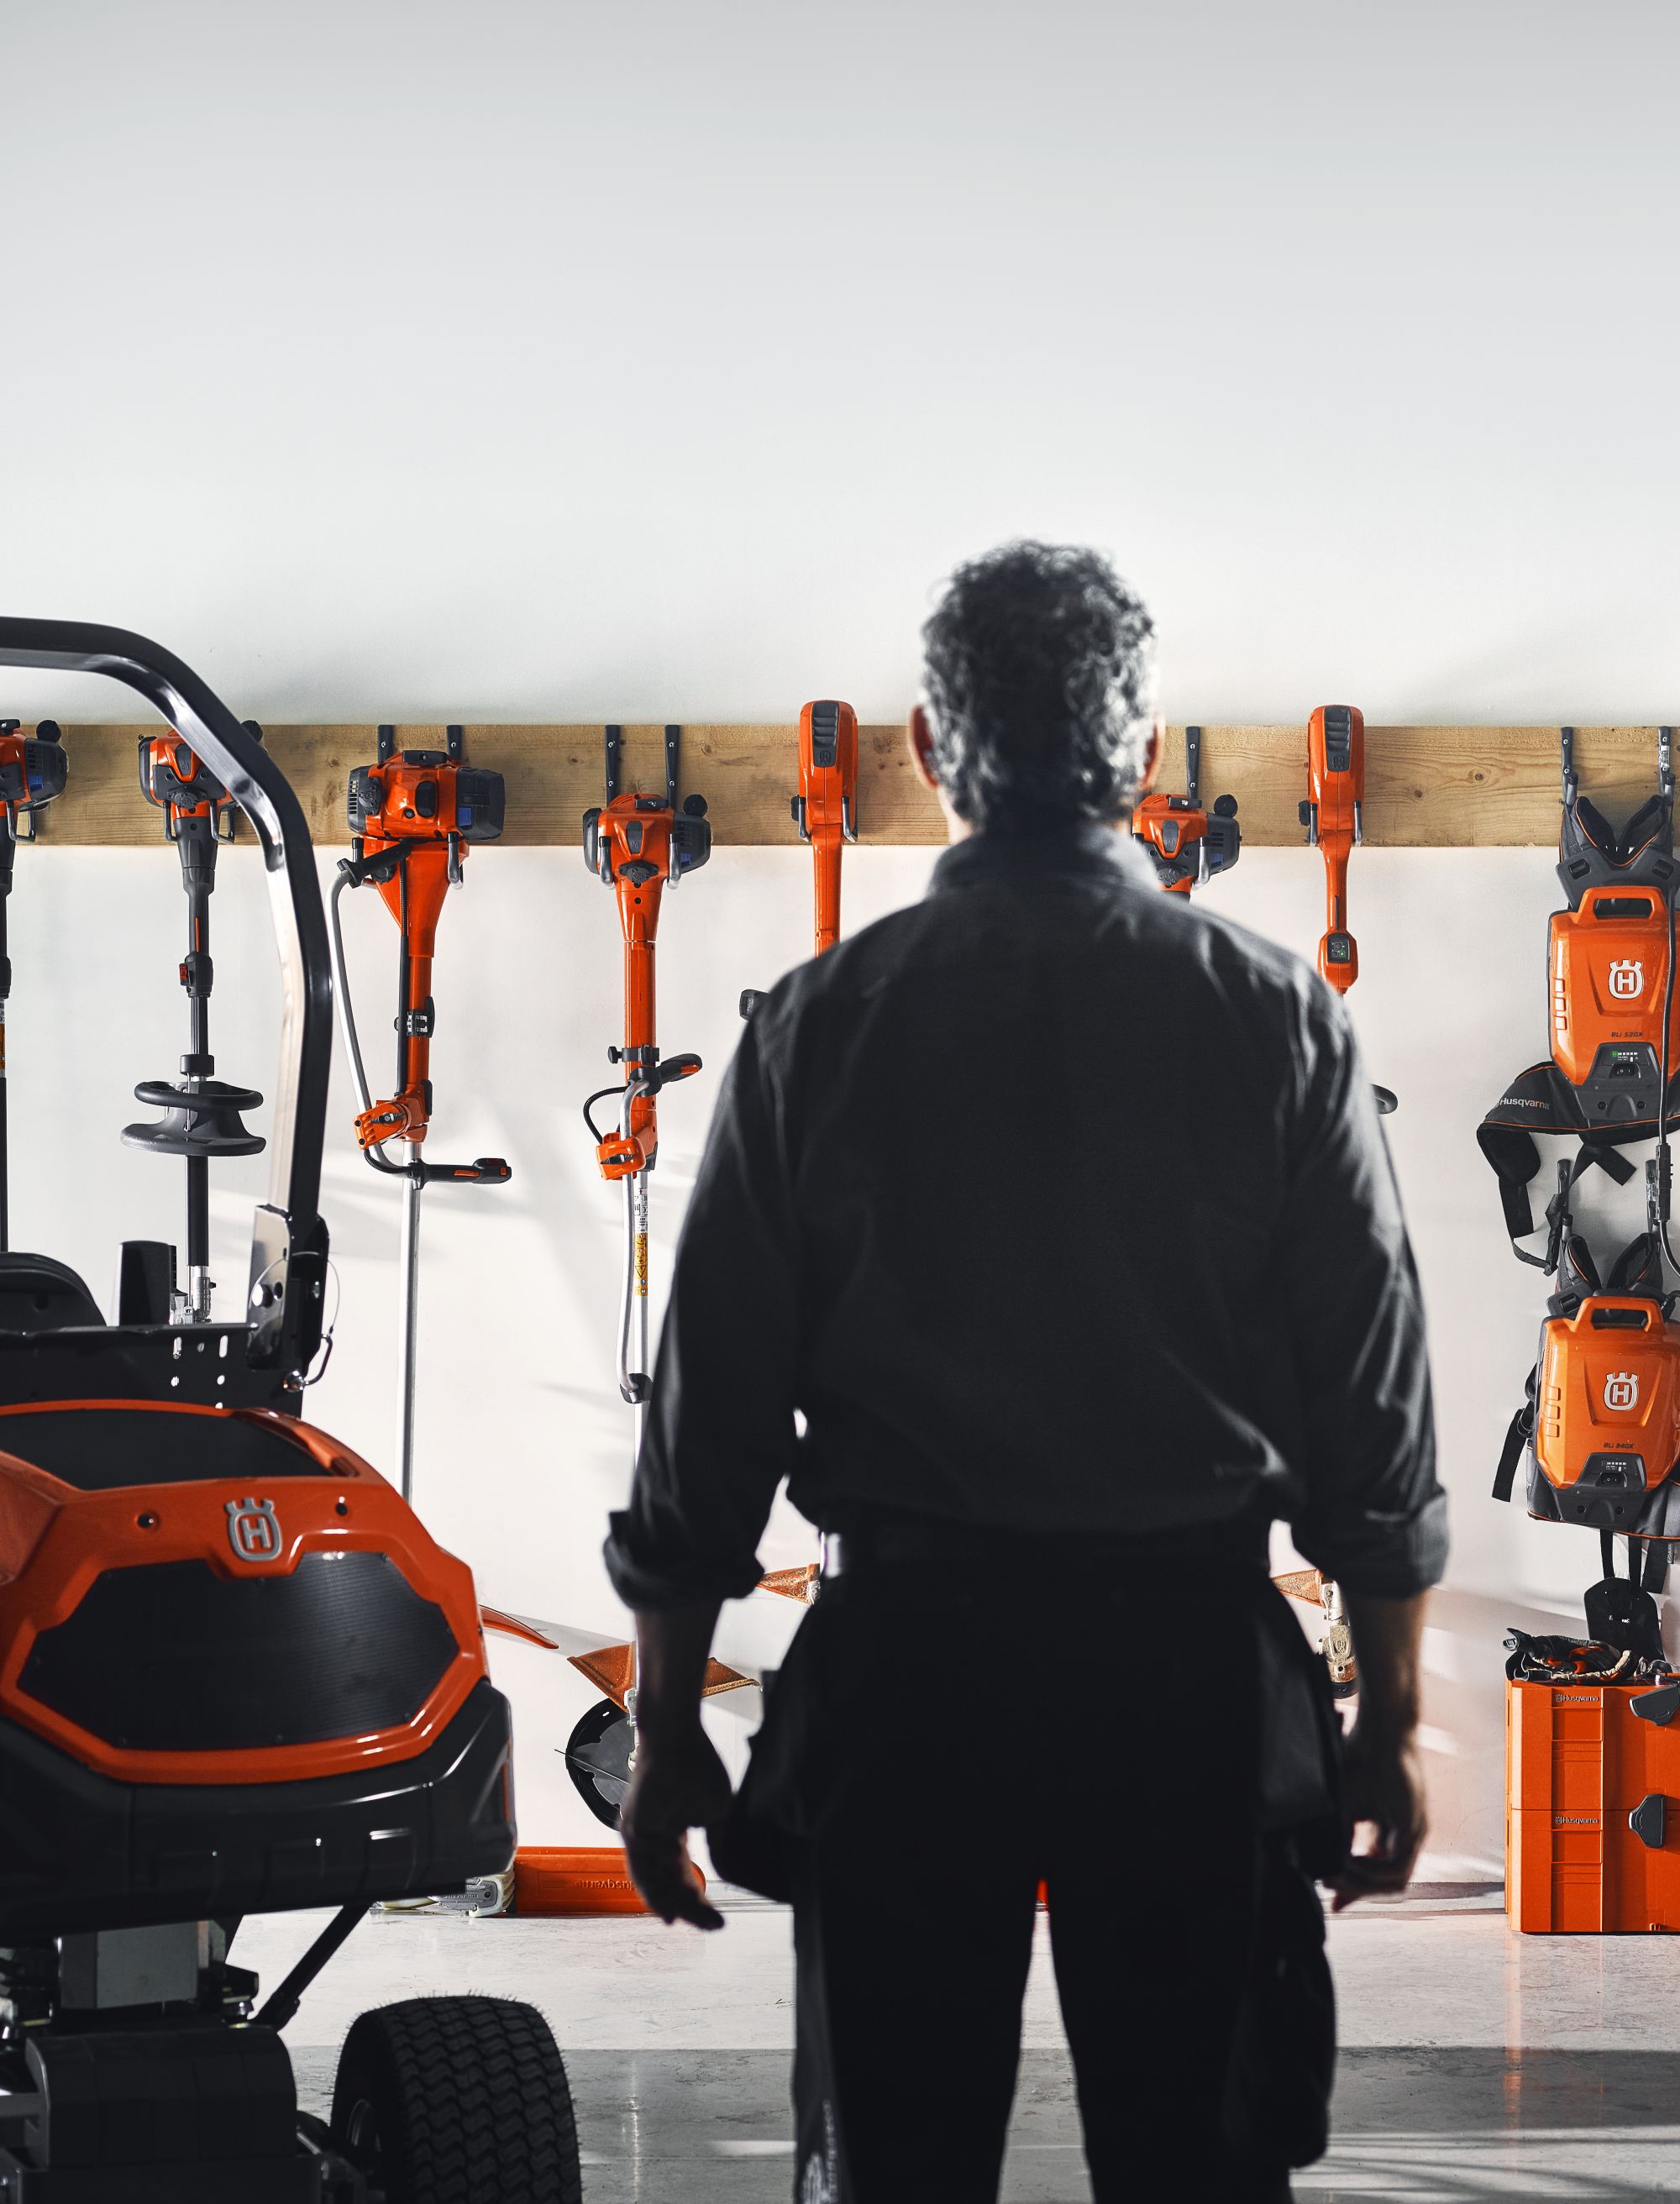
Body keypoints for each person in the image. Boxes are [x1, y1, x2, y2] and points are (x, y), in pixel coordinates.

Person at [603, 541, 1446, 2203]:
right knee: (1199, 2166)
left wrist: (664, 1709)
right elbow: (1371, 1394)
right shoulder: (1272, 1016)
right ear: (1140, 757)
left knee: (903, 2166)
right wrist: (1391, 1714)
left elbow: (708, 1404)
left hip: (915, 1684)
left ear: (929, 747)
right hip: (1190, 1685)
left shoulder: (812, 1028)